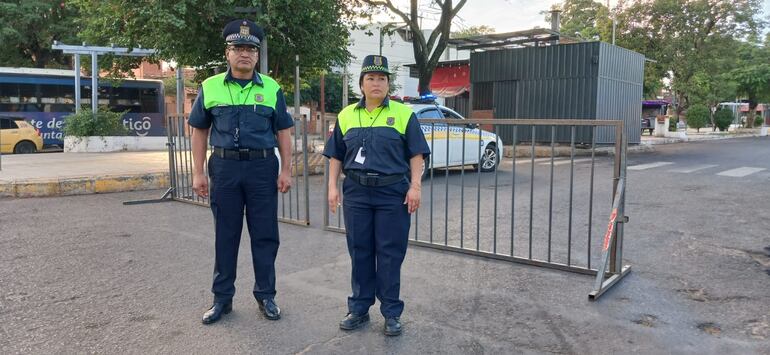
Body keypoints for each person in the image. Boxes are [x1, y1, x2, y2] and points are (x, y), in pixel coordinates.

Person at [188, 19, 294, 325]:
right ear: (227, 53)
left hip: (262, 168)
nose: (244, 54)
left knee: (265, 235)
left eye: (250, 49)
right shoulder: (210, 87)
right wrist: (198, 173)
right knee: (226, 235)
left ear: (258, 56)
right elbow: (198, 130)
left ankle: (266, 295)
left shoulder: (272, 88)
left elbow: (284, 132)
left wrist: (286, 170)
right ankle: (222, 299)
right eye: (238, 48)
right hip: (224, 168)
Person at [323, 54, 430, 336]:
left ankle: (391, 312)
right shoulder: (346, 115)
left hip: (392, 193)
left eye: (382, 78)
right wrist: (333, 187)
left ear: (388, 84)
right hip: (357, 192)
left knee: (389, 254)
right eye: (370, 78)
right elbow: (336, 155)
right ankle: (359, 307)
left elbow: (416, 153)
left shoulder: (404, 114)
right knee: (359, 252)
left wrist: (415, 186)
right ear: (361, 84)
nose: (376, 83)